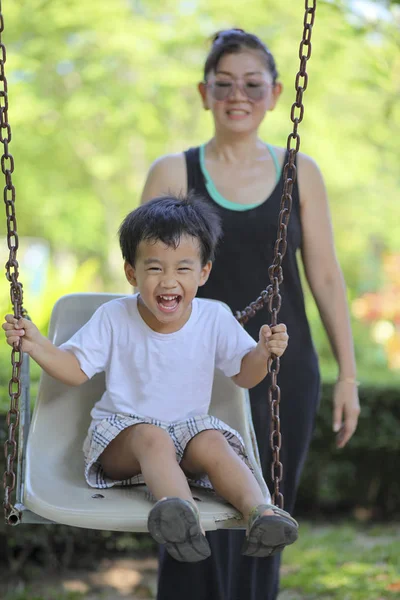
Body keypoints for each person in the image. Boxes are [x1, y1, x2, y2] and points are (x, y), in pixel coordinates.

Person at [141, 29, 360, 600]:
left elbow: (327, 278)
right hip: (191, 370)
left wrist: (349, 375)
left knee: (262, 518)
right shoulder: (173, 172)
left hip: (284, 370)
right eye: (225, 83)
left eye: (252, 84)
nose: (238, 95)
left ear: (274, 93)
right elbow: (144, 277)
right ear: (204, 92)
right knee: (190, 516)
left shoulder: (299, 171)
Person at [2, 193, 298, 563]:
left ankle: (261, 514)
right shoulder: (114, 317)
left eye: (183, 269)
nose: (168, 281)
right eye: (155, 268)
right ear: (132, 272)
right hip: (124, 437)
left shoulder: (213, 319)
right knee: (152, 437)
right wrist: (36, 344)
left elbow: (244, 376)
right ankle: (180, 513)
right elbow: (74, 370)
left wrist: (262, 353)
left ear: (203, 272)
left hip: (187, 435)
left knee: (212, 439)